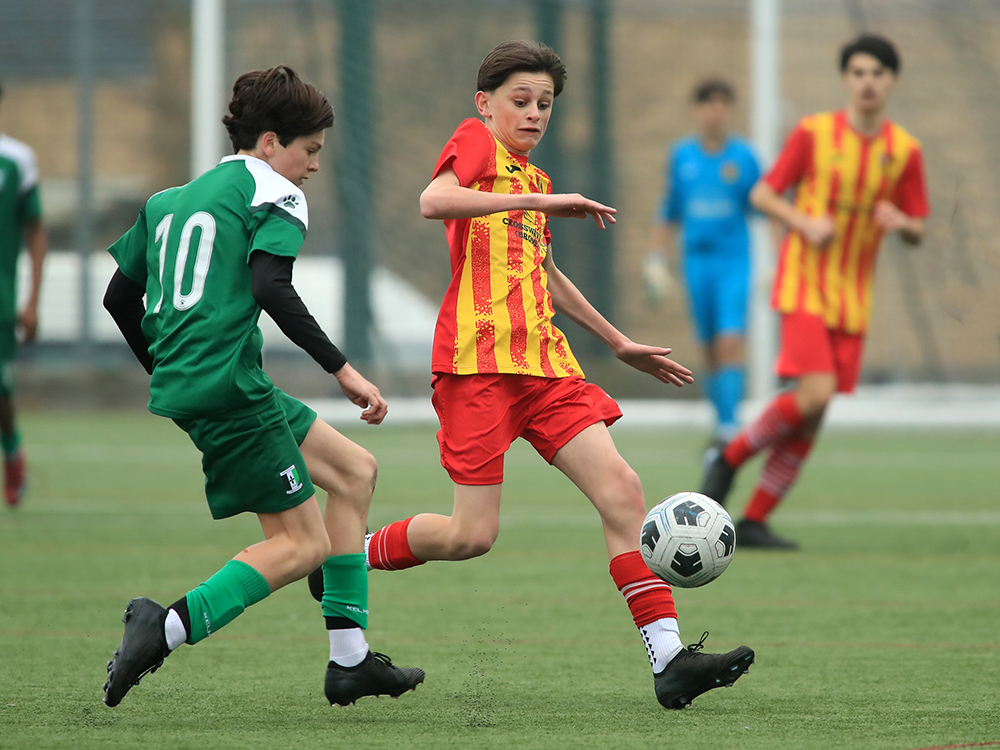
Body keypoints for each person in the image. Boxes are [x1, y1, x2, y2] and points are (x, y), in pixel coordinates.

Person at [363, 40, 754, 710]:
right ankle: (345, 555)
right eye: (521, 100)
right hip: (477, 366)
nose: (535, 113)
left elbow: (543, 272)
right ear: (485, 104)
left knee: (624, 493)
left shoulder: (536, 184)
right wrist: (540, 208)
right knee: (470, 536)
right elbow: (434, 200)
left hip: (544, 368)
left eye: (545, 103)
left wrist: (618, 341)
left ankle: (670, 661)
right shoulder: (478, 145)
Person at [101, 66, 423, 707]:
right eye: (311, 151)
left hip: (224, 382)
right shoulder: (272, 191)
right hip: (232, 391)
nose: (313, 167)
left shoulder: (171, 200)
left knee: (355, 472)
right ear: (272, 142)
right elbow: (271, 286)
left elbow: (118, 296)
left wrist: (170, 369)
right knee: (303, 546)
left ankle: (350, 661)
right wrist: (344, 369)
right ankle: (162, 626)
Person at [701, 34, 929, 549]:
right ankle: (729, 458)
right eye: (859, 72)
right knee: (815, 393)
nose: (868, 81)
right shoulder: (814, 134)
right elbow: (761, 193)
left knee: (815, 412)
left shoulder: (904, 151)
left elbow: (918, 229)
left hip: (853, 299)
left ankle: (755, 519)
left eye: (878, 73)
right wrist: (802, 221)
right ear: (846, 79)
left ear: (891, 81)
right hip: (805, 283)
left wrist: (903, 223)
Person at [646, 79, 760, 458]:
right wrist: (656, 258)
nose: (715, 111)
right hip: (697, 262)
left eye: (722, 104)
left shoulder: (744, 157)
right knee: (710, 347)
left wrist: (778, 260)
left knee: (731, 340)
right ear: (697, 110)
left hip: (734, 262)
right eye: (708, 104)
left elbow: (766, 205)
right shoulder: (682, 156)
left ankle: (731, 429)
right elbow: (669, 209)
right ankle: (721, 423)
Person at [0, 82, 48, 508]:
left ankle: (11, 453)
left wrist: (32, 301)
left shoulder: (15, 160)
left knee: (1, 391)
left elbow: (36, 229)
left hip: (1, 300)